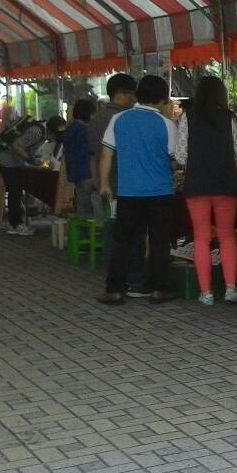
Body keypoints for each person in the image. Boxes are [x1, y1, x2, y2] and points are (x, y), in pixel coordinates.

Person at [96, 75, 177, 306]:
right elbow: (173, 160)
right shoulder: (167, 124)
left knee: (124, 241)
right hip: (160, 192)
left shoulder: (118, 119)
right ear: (162, 98)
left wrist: (104, 183)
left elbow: (106, 155)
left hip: (129, 192)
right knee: (159, 241)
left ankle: (114, 290)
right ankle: (159, 289)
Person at [176, 76, 237, 307]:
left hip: (197, 183)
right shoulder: (232, 118)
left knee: (201, 237)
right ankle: (231, 288)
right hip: (226, 182)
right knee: (227, 235)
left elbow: (181, 155)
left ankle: (205, 292)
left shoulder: (187, 118)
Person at [89, 73, 149, 298]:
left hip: (104, 185)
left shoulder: (97, 119)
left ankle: (115, 282)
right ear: (122, 94)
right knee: (131, 235)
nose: (135, 99)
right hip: (124, 184)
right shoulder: (124, 119)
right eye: (133, 94)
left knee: (111, 233)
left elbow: (95, 156)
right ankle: (133, 281)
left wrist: (100, 183)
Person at [0, 113, 46, 236]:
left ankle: (14, 223)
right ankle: (16, 225)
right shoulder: (37, 132)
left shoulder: (36, 126)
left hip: (7, 161)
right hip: (9, 163)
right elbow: (16, 146)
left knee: (15, 193)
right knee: (15, 193)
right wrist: (31, 160)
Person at [62, 99, 96, 218]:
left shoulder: (70, 129)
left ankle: (82, 226)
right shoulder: (86, 130)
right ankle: (87, 227)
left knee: (82, 204)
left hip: (75, 173)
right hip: (87, 172)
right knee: (88, 207)